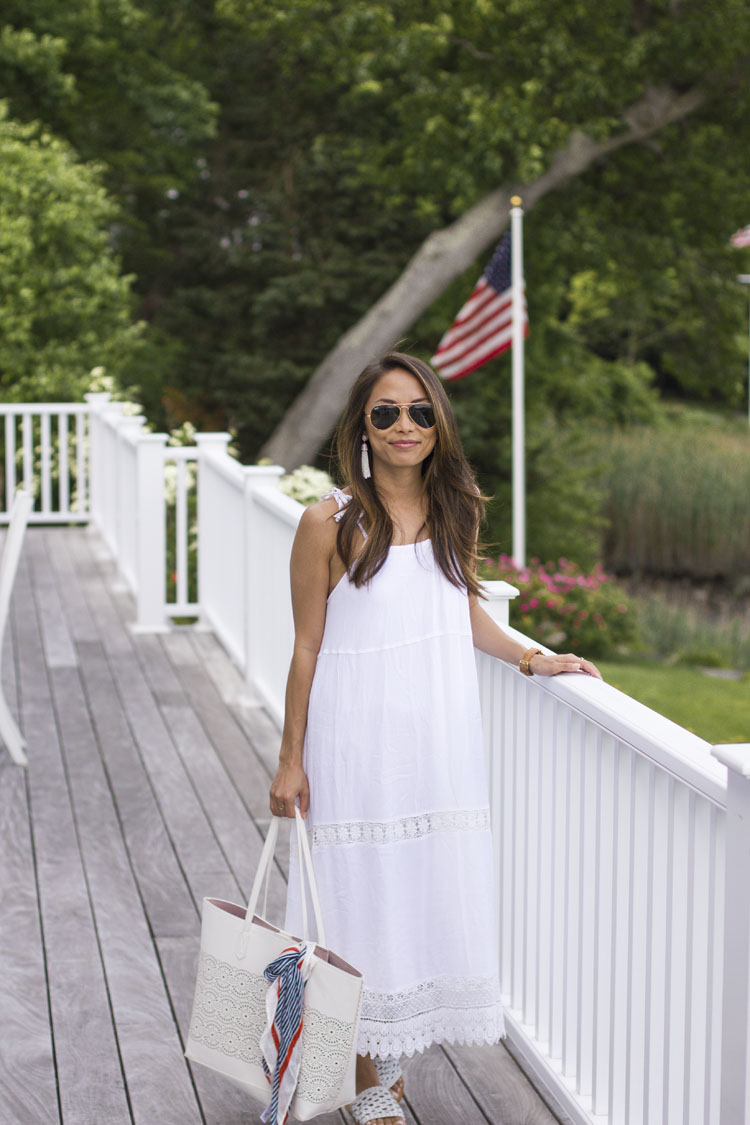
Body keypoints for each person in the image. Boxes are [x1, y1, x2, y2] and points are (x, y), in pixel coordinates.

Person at [269, 351, 602, 1125]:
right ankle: (363, 1079)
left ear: (438, 423)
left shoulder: (456, 510)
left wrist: (531, 656)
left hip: (435, 747)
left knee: (412, 904)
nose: (404, 426)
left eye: (420, 411)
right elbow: (307, 647)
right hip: (352, 746)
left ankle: (385, 1064)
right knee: (352, 909)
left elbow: (462, 611)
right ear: (361, 425)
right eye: (385, 412)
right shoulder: (329, 521)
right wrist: (290, 758)